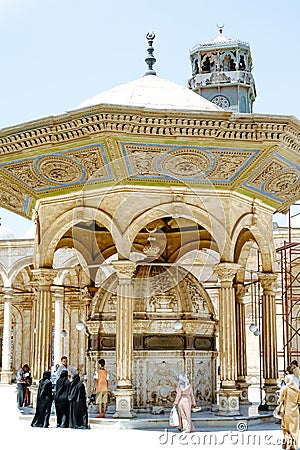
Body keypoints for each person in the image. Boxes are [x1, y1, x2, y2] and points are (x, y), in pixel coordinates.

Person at [278, 374, 300, 450]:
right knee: (294, 429)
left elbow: (280, 400)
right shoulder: (297, 390)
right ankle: (293, 445)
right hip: (295, 412)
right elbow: (299, 402)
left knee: (285, 428)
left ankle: (287, 443)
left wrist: (279, 408)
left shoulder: (284, 388)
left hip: (286, 411)